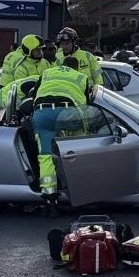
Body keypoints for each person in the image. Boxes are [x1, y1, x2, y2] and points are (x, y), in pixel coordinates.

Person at [32, 55, 94, 201]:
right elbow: (85, 108)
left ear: (63, 64)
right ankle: (76, 188)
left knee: (45, 155)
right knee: (73, 152)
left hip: (42, 113)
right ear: (76, 67)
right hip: (66, 114)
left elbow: (34, 95)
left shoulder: (47, 72)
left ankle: (50, 195)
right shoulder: (81, 77)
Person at [0, 34, 47, 110]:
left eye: (41, 49)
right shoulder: (22, 67)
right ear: (28, 50)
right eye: (37, 50)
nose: (40, 52)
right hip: (14, 97)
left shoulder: (45, 63)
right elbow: (22, 89)